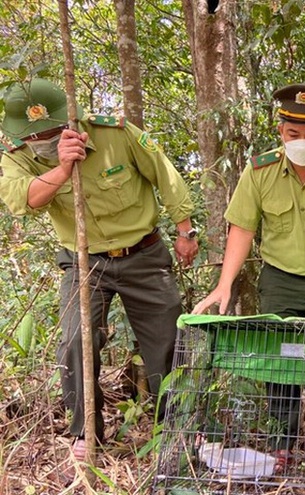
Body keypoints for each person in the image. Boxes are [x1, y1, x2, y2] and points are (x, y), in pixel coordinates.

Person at [0, 78, 199, 461]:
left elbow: (166, 175)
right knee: (75, 339)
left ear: (70, 118)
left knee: (168, 344)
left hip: (143, 254)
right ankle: (85, 431)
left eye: (53, 130)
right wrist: (61, 168)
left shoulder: (114, 133)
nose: (43, 138)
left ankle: (174, 429)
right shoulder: (17, 157)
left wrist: (186, 231)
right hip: (83, 260)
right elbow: (23, 201)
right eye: (34, 135)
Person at [192, 83, 305, 466]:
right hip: (279, 278)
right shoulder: (260, 171)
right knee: (281, 362)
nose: (302, 141)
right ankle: (283, 443)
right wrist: (224, 285)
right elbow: (241, 230)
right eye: (294, 133)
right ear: (281, 132)